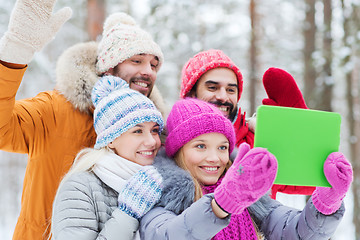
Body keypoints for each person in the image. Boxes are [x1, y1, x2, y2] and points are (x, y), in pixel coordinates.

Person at [0, 0, 165, 238]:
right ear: (108, 68)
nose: (148, 71)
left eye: (154, 64)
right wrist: (16, 50)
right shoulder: (56, 110)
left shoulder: (156, 132)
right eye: (136, 60)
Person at [123, 98, 352, 239]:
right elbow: (167, 235)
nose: (214, 158)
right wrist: (222, 204)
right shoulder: (159, 193)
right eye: (200, 146)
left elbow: (291, 231)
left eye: (222, 147)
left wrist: (327, 203)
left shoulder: (246, 190)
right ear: (177, 149)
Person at [180, 50, 316, 198]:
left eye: (231, 90)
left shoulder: (257, 144)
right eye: (212, 88)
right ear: (191, 94)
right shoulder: (171, 145)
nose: (223, 96)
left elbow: (312, 182)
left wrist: (297, 129)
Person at [51, 75, 164, 239]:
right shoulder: (80, 187)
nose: (152, 141)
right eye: (137, 131)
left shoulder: (161, 180)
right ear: (110, 139)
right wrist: (127, 215)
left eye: (154, 130)